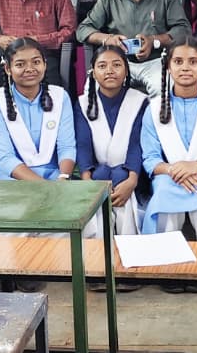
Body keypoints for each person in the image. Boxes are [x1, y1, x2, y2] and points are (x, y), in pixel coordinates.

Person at [140, 36, 197, 294]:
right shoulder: (154, 108)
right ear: (168, 67)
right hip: (169, 175)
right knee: (164, 192)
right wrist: (174, 170)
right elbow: (150, 158)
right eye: (178, 61)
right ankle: (167, 266)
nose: (185, 67)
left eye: (192, 61)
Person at [77, 0, 190, 97]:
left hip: (156, 61)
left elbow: (183, 30)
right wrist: (108, 39)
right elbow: (83, 30)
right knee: (92, 89)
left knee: (163, 88)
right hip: (117, 62)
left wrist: (153, 41)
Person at [74, 45, 150, 246]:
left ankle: (129, 254)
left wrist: (132, 180)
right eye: (102, 66)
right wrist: (87, 181)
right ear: (93, 72)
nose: (109, 71)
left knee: (125, 193)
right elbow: (83, 144)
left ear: (126, 70)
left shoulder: (140, 101)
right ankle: (98, 256)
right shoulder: (83, 103)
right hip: (96, 174)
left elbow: (137, 144)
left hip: (131, 176)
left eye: (116, 65)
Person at [0, 37, 76, 182]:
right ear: (8, 69)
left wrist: (63, 178)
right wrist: (44, 187)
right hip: (12, 179)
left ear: (45, 64)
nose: (30, 69)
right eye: (20, 64)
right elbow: (6, 158)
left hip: (55, 177)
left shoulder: (60, 96)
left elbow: (66, 147)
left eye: (36, 62)